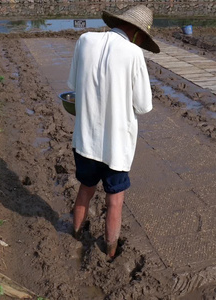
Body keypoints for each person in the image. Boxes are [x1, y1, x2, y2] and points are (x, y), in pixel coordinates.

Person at [67, 5, 160, 259]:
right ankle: (109, 253)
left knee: (85, 189)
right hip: (116, 147)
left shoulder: (85, 40)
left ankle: (74, 234)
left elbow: (74, 86)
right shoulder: (133, 53)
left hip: (85, 139)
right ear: (139, 34)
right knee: (114, 201)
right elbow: (143, 106)